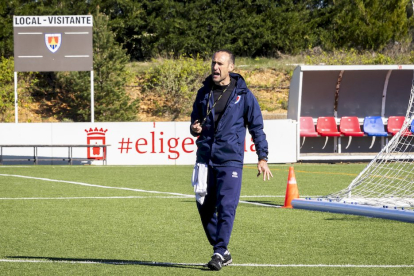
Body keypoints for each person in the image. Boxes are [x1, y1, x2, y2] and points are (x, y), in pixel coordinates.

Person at [190, 50, 273, 271]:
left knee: (227, 205)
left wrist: (262, 157)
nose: (215, 67)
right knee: (203, 205)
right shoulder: (203, 93)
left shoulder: (244, 95)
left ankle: (219, 251)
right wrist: (194, 127)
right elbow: (194, 122)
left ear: (231, 67)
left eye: (220, 64)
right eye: (213, 63)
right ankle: (223, 250)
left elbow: (257, 127)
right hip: (205, 158)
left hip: (230, 159)